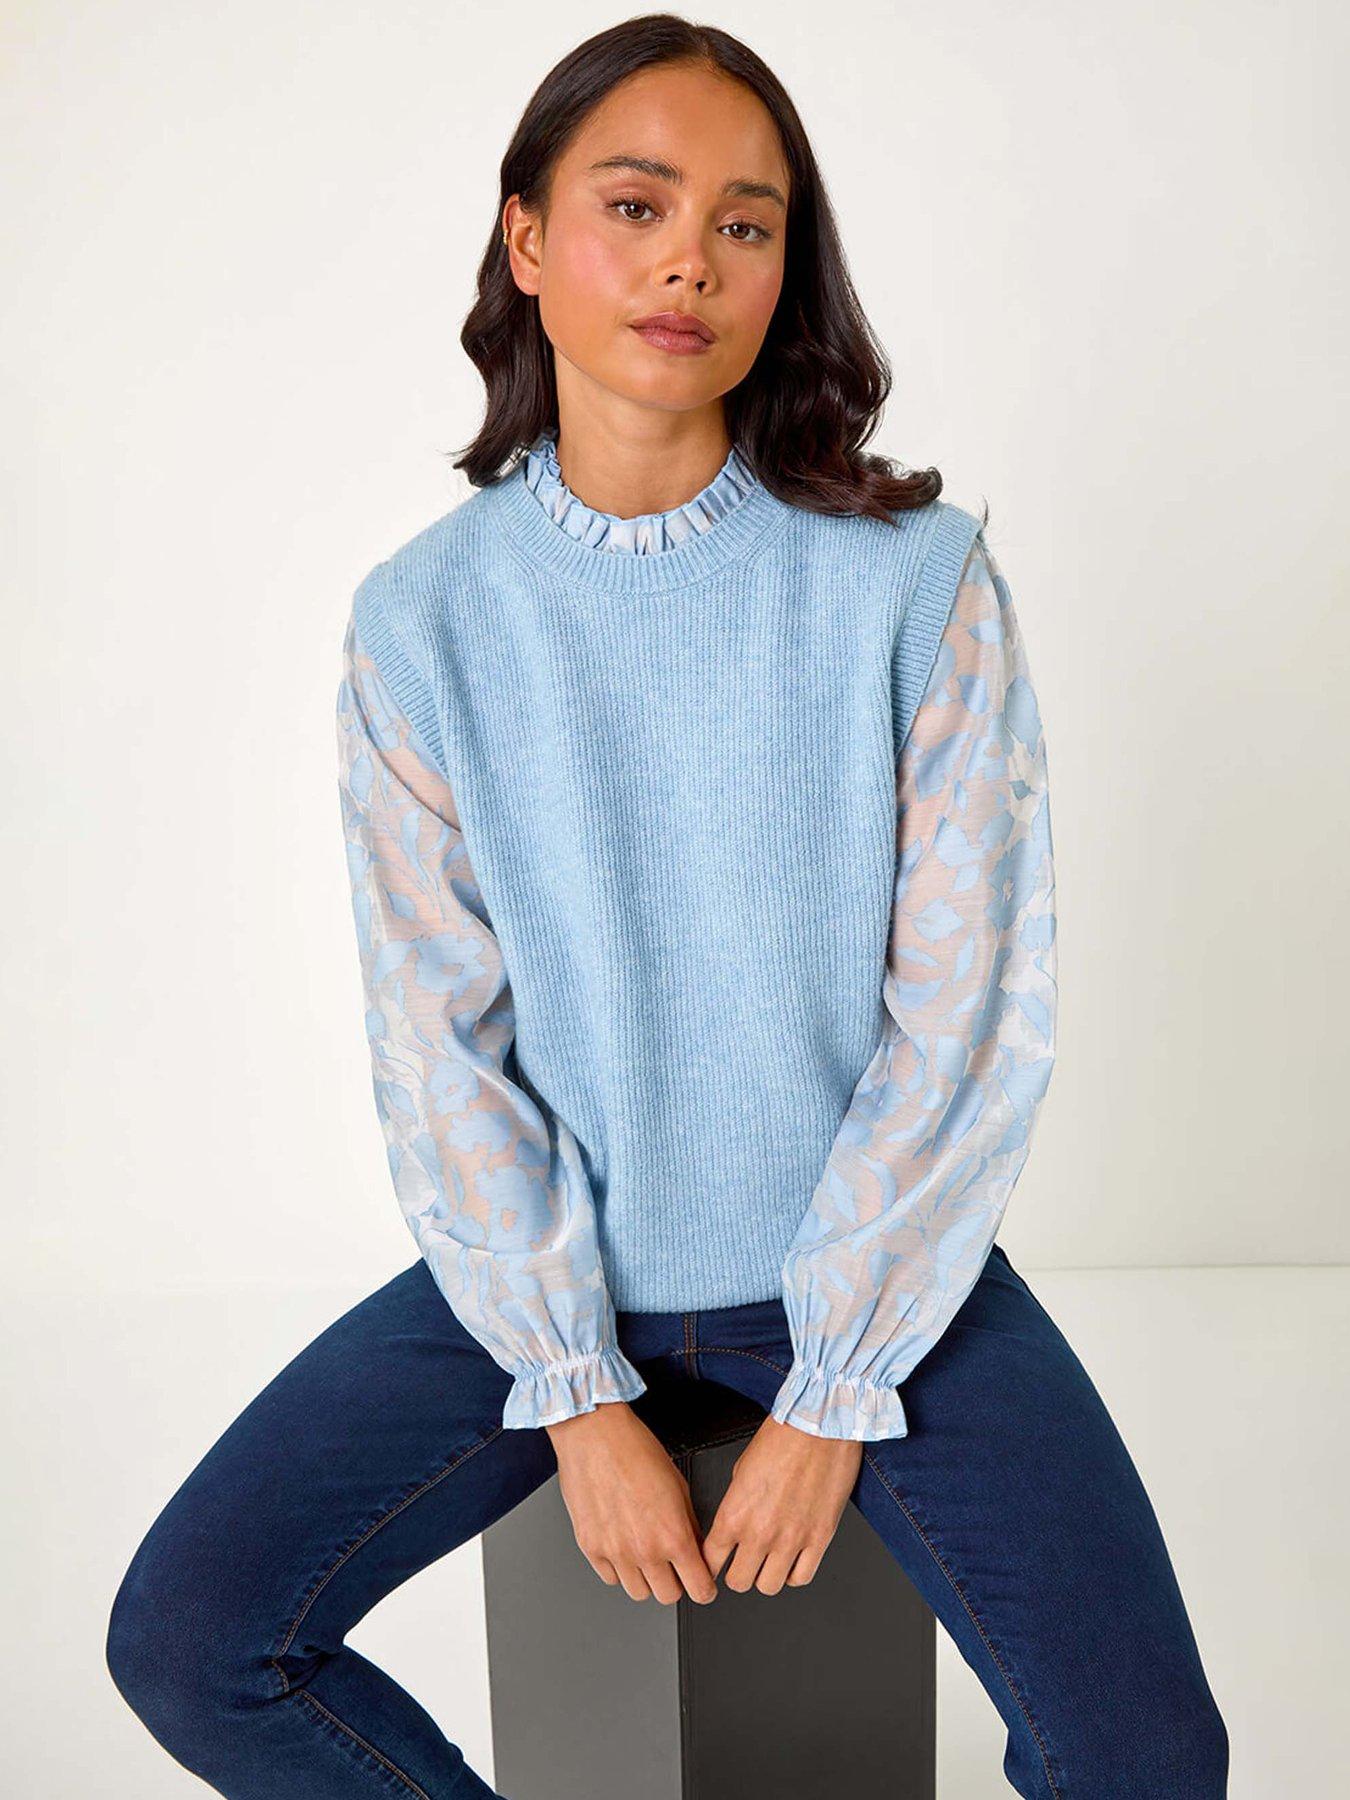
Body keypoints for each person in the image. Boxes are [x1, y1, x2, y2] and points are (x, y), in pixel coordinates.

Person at [105, 15, 1229, 1798]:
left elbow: (966, 1011)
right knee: (190, 1636)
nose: (690, 260)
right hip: (546, 1281)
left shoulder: (913, 582)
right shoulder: (424, 621)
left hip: (878, 1276)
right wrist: (569, 1385)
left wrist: (837, 1384)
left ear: (787, 271)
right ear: (527, 239)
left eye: (744, 223)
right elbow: (439, 1039)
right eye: (634, 205)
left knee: (1146, 1757)